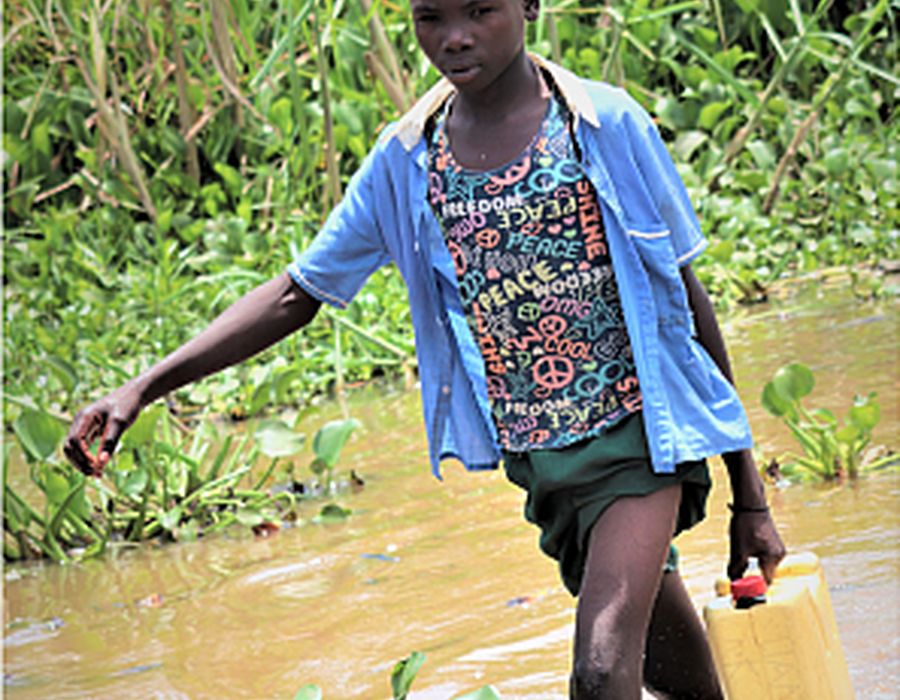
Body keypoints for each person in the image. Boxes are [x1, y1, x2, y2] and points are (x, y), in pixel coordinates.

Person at [65, 1, 786, 697]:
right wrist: (144, 387)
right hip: (543, 461)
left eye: (480, 12)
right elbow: (298, 292)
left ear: (528, 5)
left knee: (598, 676)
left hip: (641, 440)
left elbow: (683, 299)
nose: (455, 38)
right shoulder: (408, 162)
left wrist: (748, 494)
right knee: (670, 675)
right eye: (430, 18)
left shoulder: (601, 126)